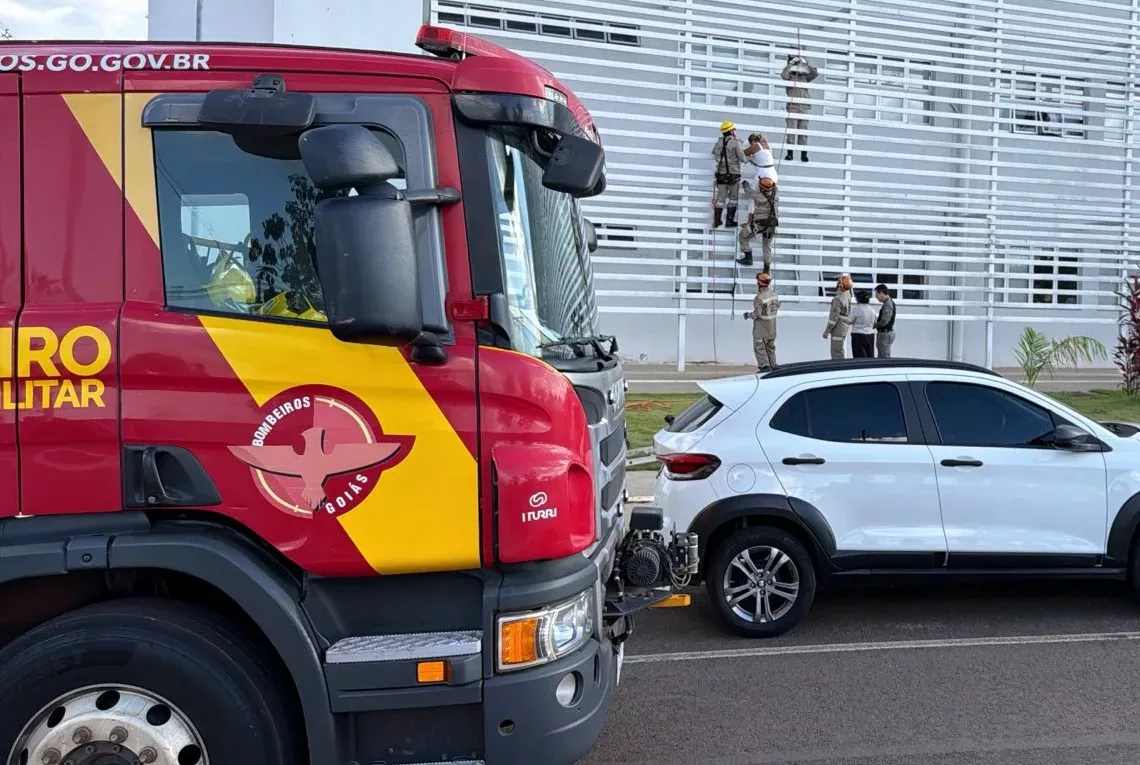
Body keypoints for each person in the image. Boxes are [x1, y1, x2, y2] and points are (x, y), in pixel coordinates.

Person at [736, 173, 779, 273]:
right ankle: (767, 268)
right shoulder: (776, 192)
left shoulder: (759, 195)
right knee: (767, 245)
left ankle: (748, 257)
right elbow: (774, 186)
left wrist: (745, 184)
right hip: (772, 225)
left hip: (759, 224)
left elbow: (748, 192)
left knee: (742, 236)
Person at [781, 54, 819, 163]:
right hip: (793, 107)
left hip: (804, 107)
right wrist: (790, 64)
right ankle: (790, 154)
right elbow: (783, 75)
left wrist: (806, 62)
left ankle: (803, 154)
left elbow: (815, 73)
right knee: (791, 131)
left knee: (803, 131)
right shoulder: (790, 76)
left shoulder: (804, 76)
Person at [711, 120, 747, 229]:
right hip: (733, 175)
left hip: (721, 175)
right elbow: (743, 158)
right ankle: (729, 221)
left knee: (720, 198)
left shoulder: (719, 142)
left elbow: (714, 153)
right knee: (733, 198)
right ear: (731, 131)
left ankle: (717, 221)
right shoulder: (736, 143)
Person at [743, 272, 779, 371]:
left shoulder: (759, 298)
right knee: (770, 349)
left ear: (759, 283)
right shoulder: (774, 295)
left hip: (761, 330)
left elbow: (757, 314)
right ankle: (774, 366)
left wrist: (748, 315)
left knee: (760, 350)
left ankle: (764, 368)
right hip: (772, 329)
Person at [822, 274, 853, 359]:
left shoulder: (838, 299)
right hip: (843, 327)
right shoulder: (848, 294)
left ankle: (838, 370)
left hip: (838, 328)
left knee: (836, 352)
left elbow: (833, 318)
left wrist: (826, 331)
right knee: (840, 349)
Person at [850, 290, 876, 358]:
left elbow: (850, 321)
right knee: (869, 356)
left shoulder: (856, 309)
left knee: (859, 357)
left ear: (858, 299)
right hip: (870, 335)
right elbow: (875, 322)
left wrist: (841, 317)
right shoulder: (872, 310)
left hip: (858, 335)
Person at [874, 283, 897, 358]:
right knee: (882, 355)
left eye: (877, 295)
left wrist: (874, 325)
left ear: (881, 293)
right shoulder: (888, 303)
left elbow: (884, 321)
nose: (876, 298)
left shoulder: (888, 304)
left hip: (885, 333)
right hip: (885, 333)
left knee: (884, 357)